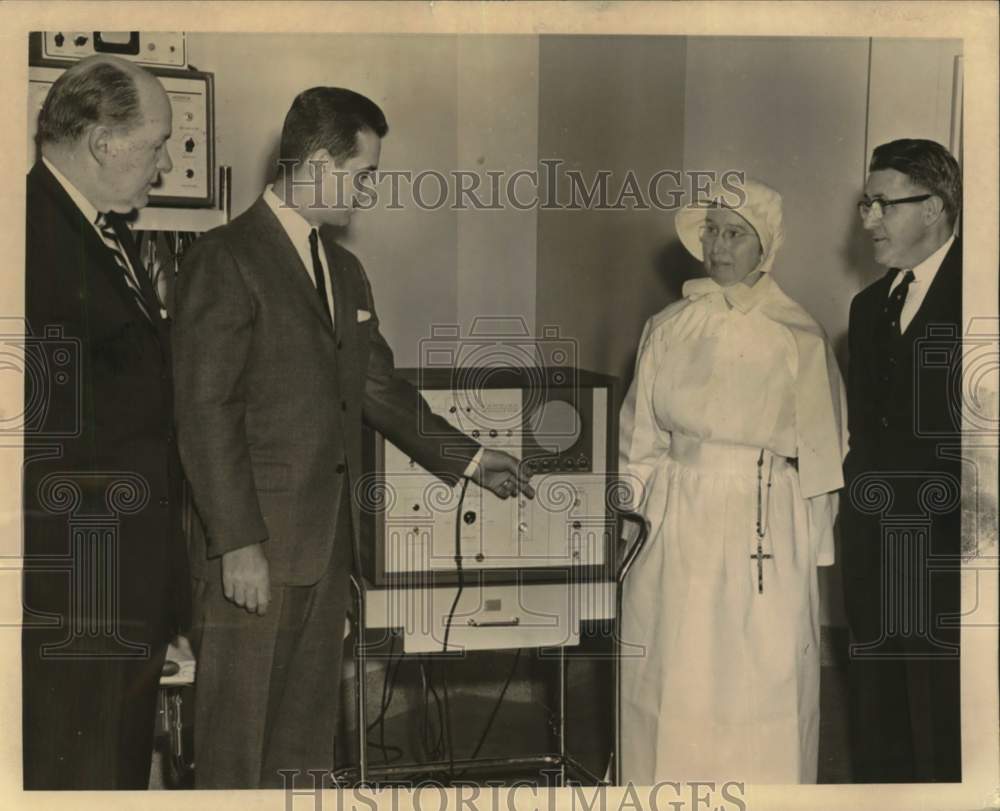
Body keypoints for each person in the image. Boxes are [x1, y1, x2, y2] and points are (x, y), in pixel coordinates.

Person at [172, 86, 532, 789]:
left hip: (325, 548)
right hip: (252, 551)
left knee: (304, 742)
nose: (368, 193)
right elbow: (204, 409)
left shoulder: (343, 270)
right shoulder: (225, 258)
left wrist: (475, 458)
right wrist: (238, 541)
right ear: (315, 163)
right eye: (363, 174)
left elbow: (376, 387)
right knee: (235, 744)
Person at [618, 178, 847, 784]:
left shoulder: (796, 335)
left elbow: (825, 454)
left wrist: (812, 550)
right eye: (712, 232)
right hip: (676, 510)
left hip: (764, 516)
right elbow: (639, 437)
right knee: (672, 667)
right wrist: (630, 523)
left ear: (764, 246)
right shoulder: (668, 326)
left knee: (759, 674)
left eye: (736, 233)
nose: (719, 246)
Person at [22, 55, 189, 789]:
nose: (164, 163)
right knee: (77, 772)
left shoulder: (104, 232)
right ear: (101, 142)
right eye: (156, 143)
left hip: (126, 580)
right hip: (77, 585)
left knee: (117, 769)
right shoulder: (27, 233)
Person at [841, 139, 963, 782]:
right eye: (867, 204)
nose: (867, 220)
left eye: (882, 204)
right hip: (873, 542)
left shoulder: (982, 294)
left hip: (950, 550)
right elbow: (864, 430)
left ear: (936, 207)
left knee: (946, 719)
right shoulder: (866, 308)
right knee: (878, 709)